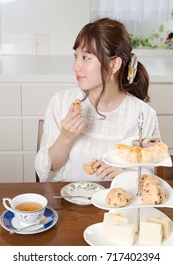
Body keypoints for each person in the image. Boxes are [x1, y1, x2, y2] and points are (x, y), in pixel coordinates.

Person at [35, 18, 160, 182]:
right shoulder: (62, 102)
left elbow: (151, 180)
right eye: (76, 56)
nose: (76, 66)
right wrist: (65, 137)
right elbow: (47, 170)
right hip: (70, 203)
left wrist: (124, 173)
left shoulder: (143, 114)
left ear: (114, 64)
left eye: (86, 57)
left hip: (120, 204)